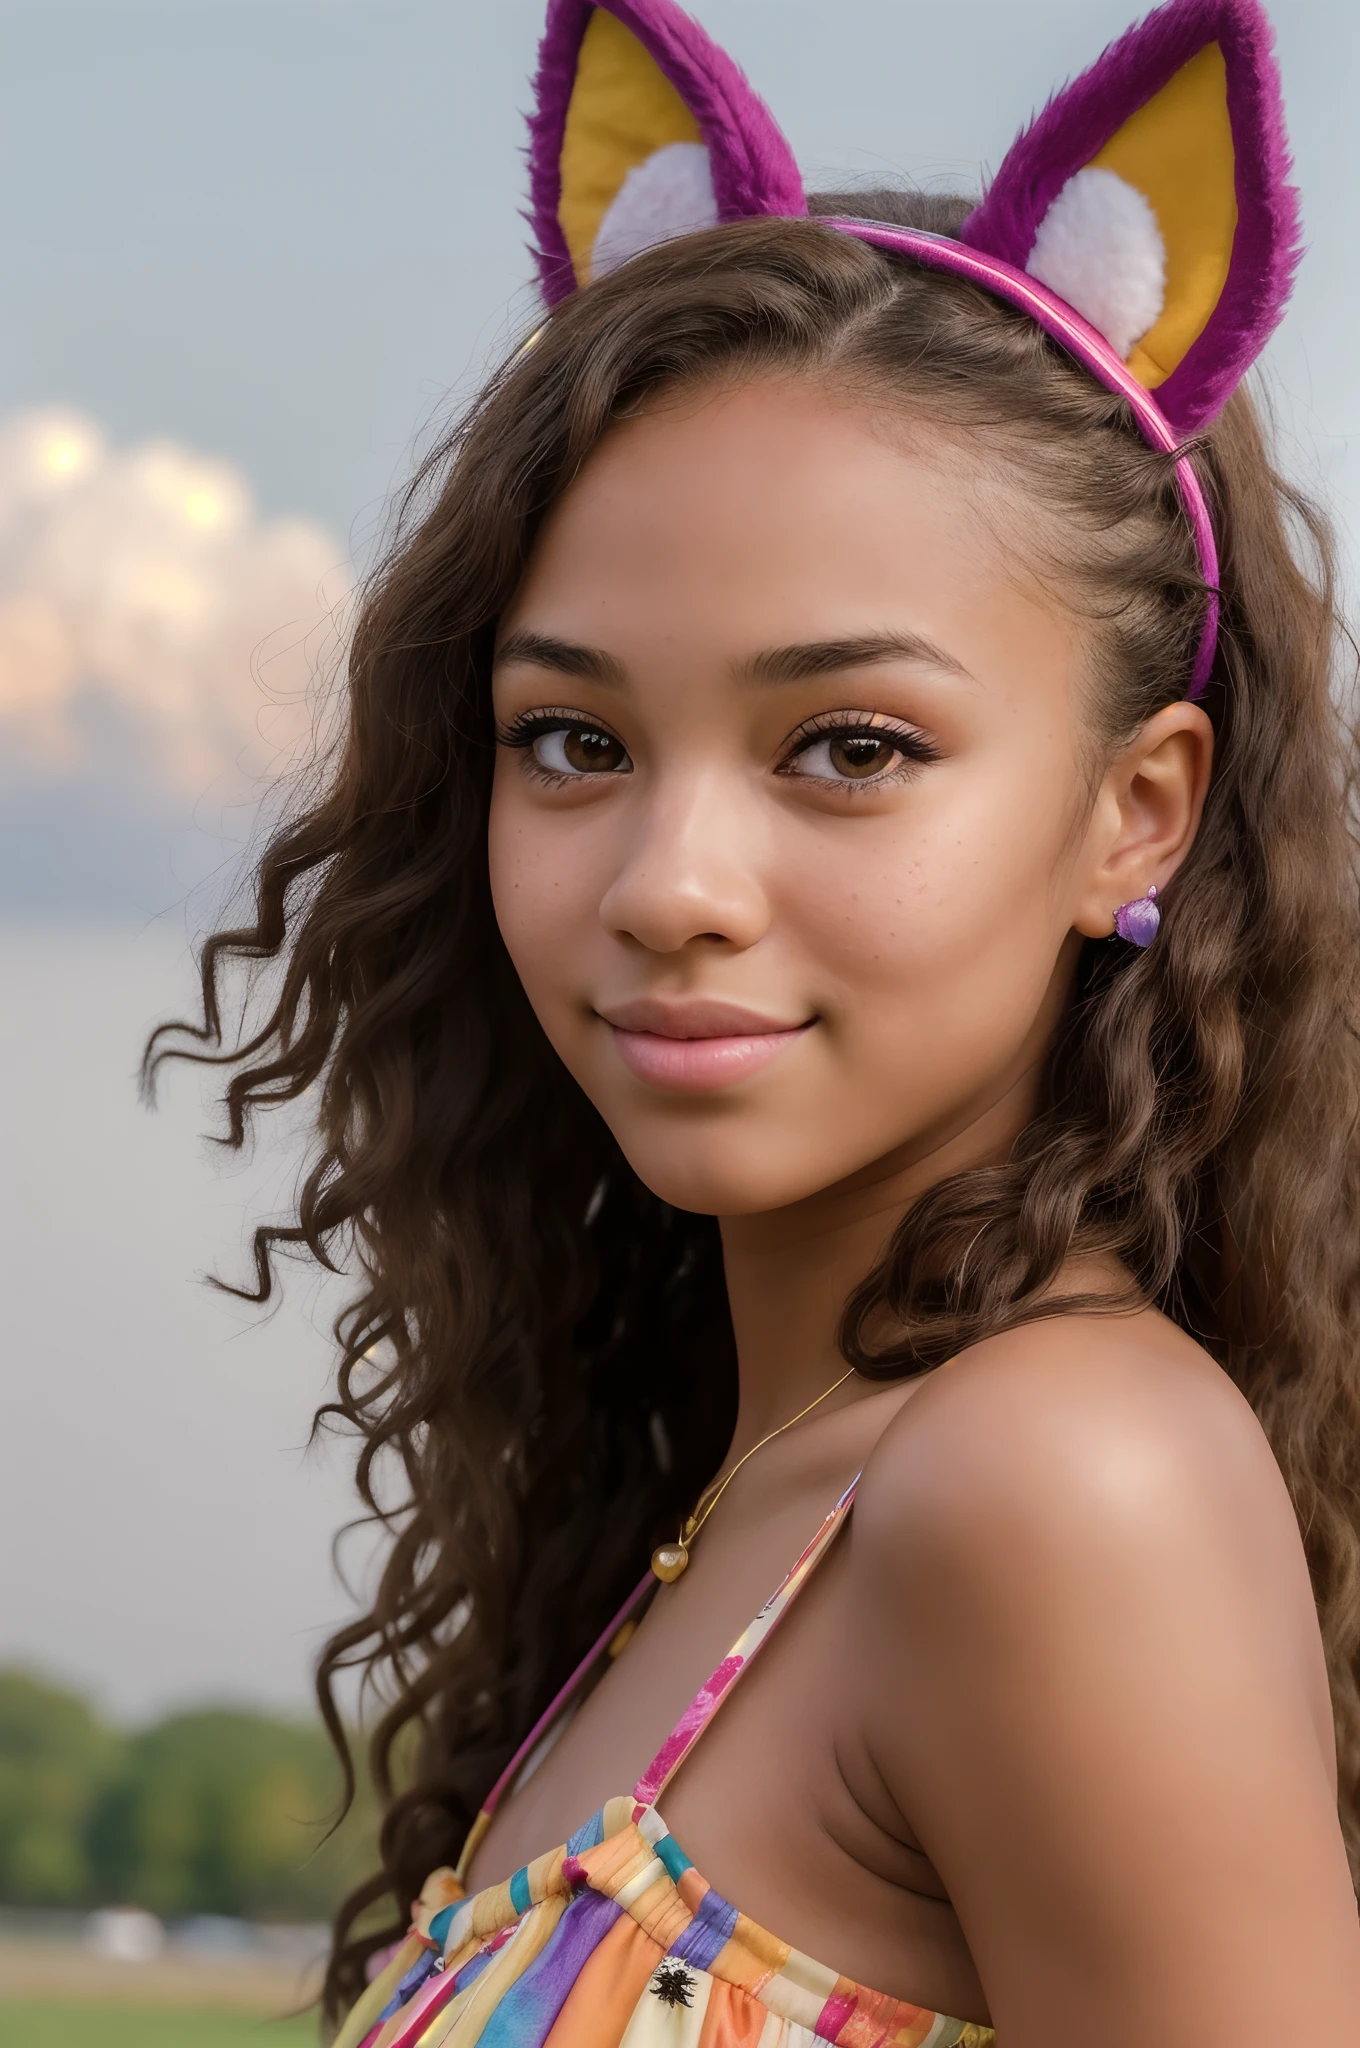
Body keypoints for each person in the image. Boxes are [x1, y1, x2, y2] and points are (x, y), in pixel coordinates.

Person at [149, 0, 1360, 2039]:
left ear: (1124, 812)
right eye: (572, 738)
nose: (665, 881)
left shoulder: (1055, 1485)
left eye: (850, 745)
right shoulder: (762, 1495)